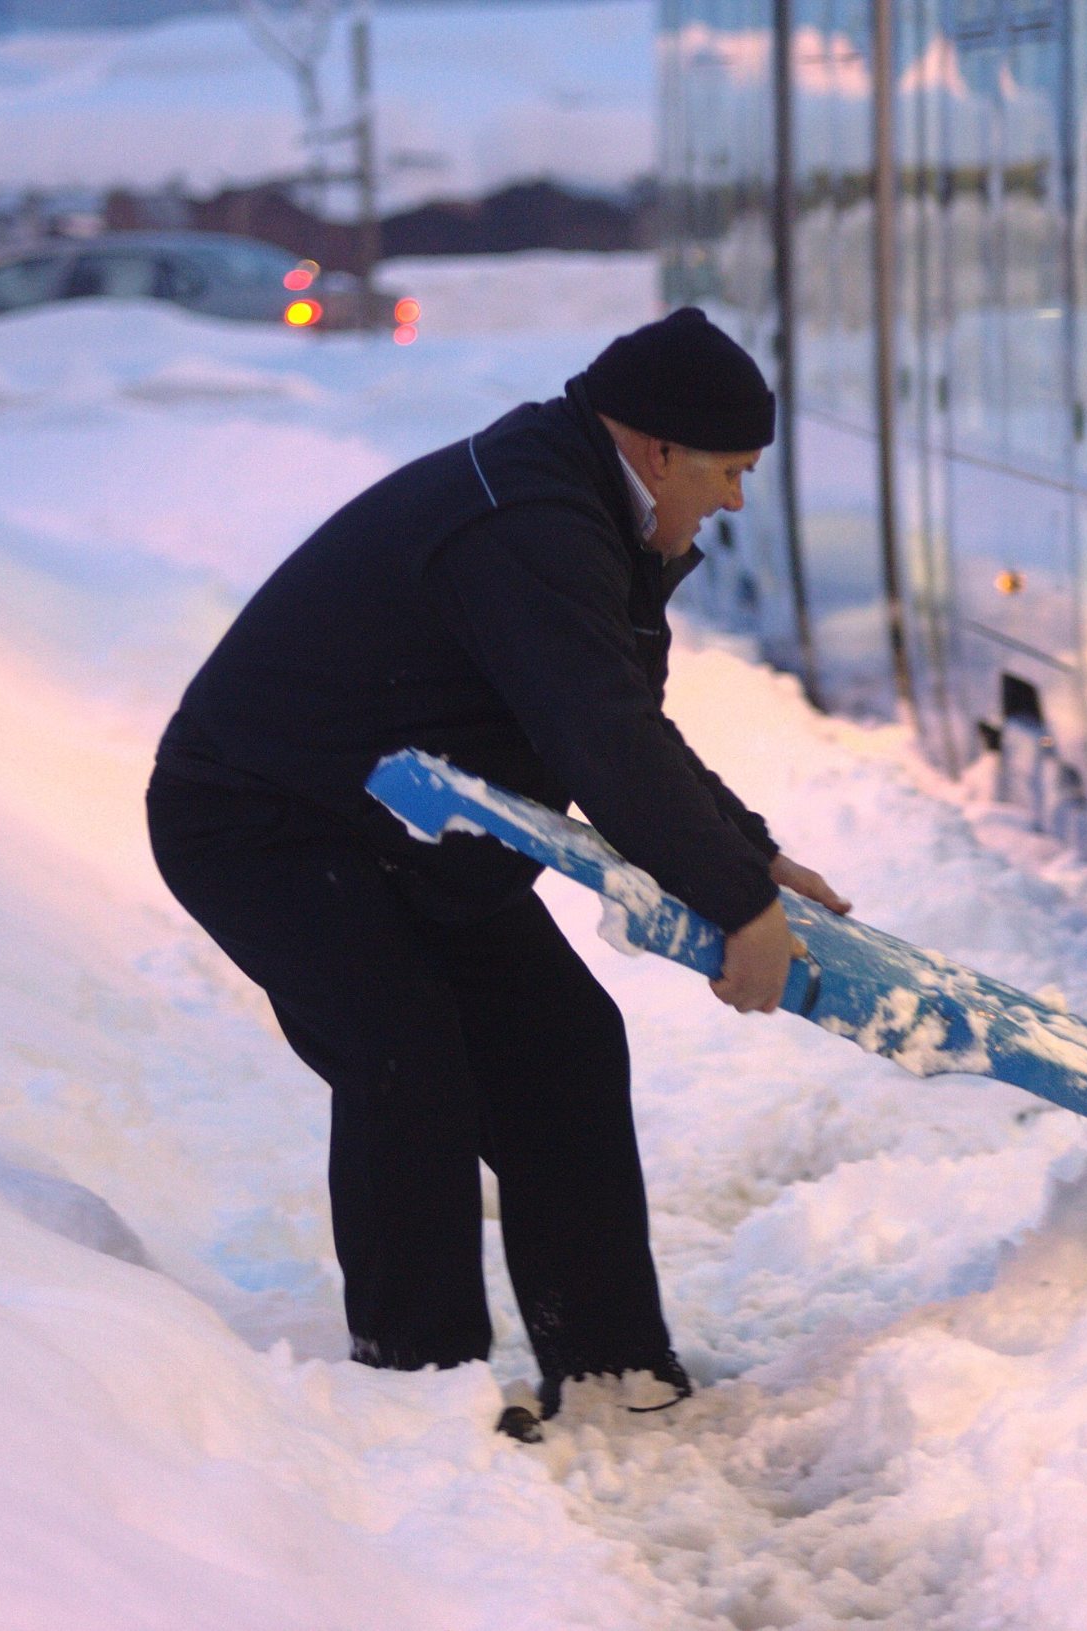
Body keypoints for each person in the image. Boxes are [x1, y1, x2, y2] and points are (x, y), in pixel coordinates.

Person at [145, 307, 849, 1439]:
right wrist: (738, 904)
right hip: (264, 819)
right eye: (728, 471)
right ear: (659, 447)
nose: (732, 500)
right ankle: (417, 1386)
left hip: (405, 824)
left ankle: (613, 1366)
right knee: (406, 1056)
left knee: (563, 1044)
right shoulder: (529, 520)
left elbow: (624, 716)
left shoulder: (585, 504)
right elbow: (597, 734)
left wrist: (748, 850)